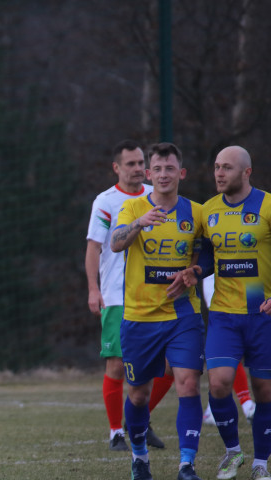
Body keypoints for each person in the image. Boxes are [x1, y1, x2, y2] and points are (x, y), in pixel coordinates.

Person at [184, 146, 271, 480]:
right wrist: (197, 271)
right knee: (219, 382)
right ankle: (233, 451)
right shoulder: (209, 210)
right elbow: (208, 258)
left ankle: (261, 463)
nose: (219, 173)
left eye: (227, 168)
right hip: (223, 311)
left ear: (246, 172)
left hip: (261, 310)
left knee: (264, 390)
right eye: (216, 167)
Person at [110, 142, 205, 480]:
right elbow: (116, 243)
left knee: (188, 383)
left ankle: (187, 465)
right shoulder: (133, 207)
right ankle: (139, 457)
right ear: (149, 174)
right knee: (138, 394)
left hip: (183, 315)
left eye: (170, 168)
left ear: (181, 173)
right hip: (140, 317)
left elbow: (209, 254)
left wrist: (194, 272)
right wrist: (140, 223)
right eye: (158, 169)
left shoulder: (197, 213)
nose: (164, 175)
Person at [85, 140, 170, 452]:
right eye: (130, 164)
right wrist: (94, 288)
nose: (137, 168)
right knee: (118, 366)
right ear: (116, 168)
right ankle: (115, 433)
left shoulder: (155, 197)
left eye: (140, 163)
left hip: (156, 295)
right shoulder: (106, 201)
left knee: (170, 366)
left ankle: (139, 420)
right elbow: (94, 247)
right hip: (117, 296)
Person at [200, 274, 256, 426]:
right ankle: (246, 404)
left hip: (250, 283)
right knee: (227, 348)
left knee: (235, 348)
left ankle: (213, 409)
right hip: (221, 287)